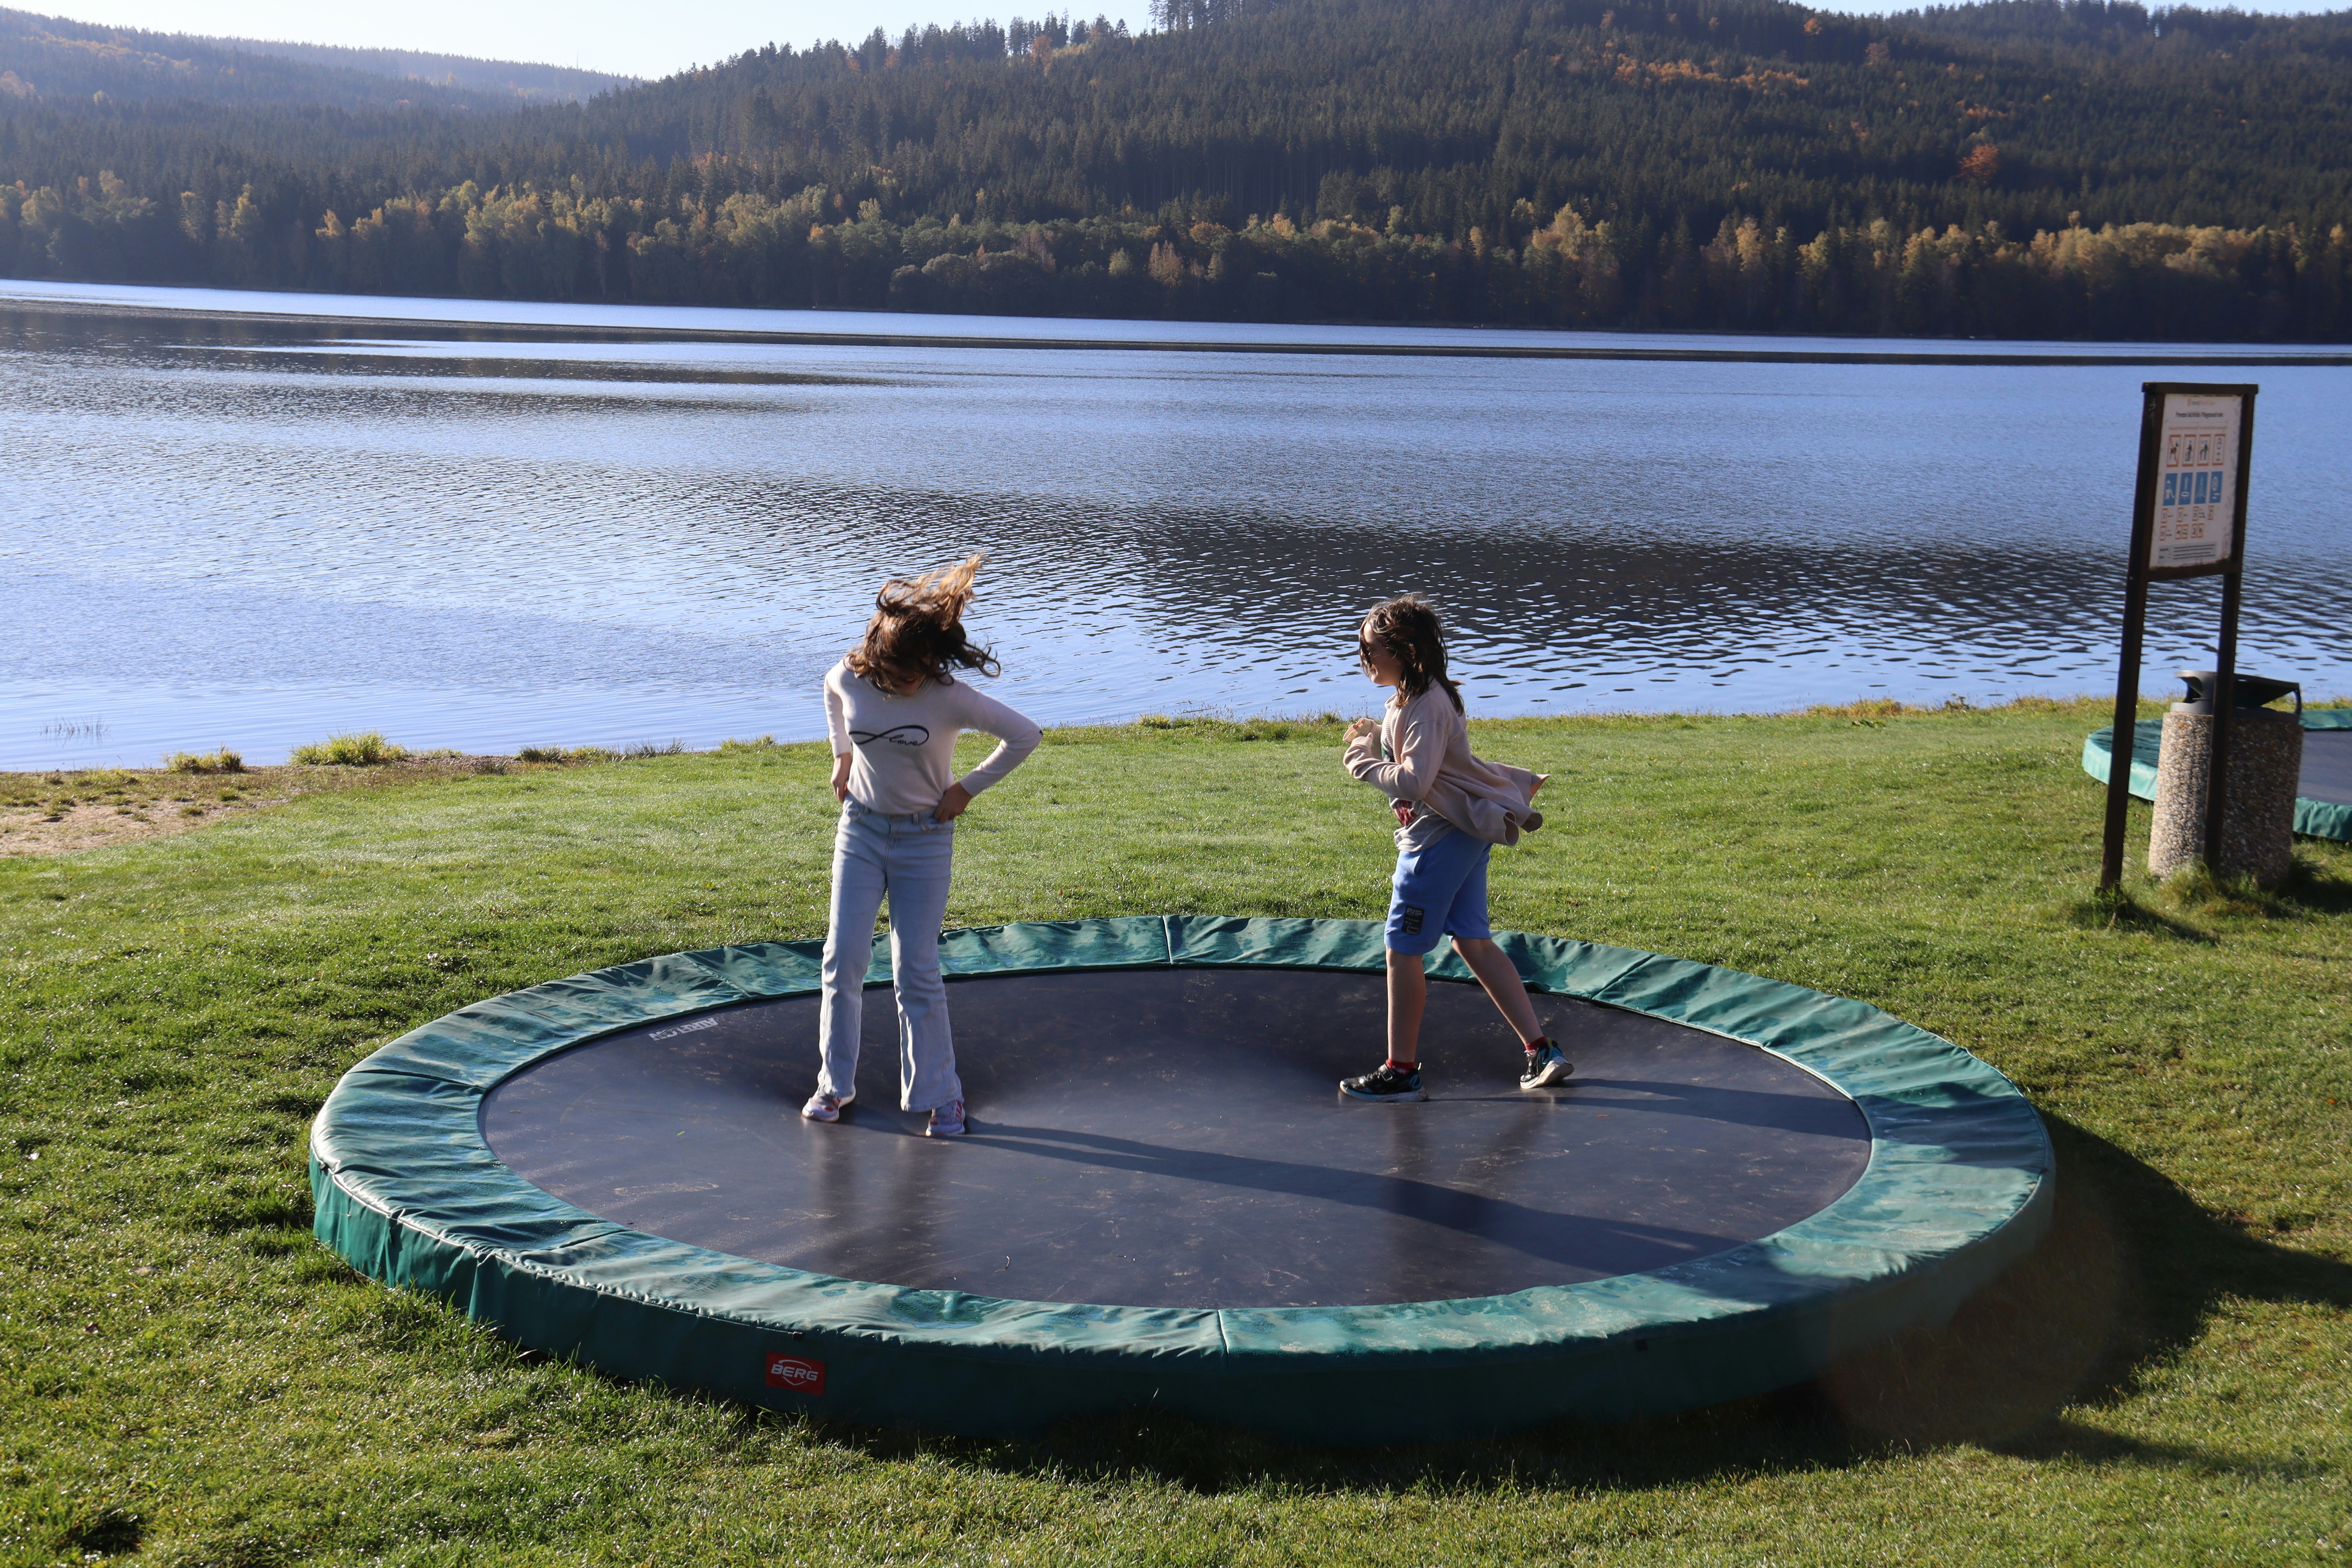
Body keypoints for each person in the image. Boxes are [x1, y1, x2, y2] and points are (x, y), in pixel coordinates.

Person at [804, 554, 1042, 1137]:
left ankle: (942, 1097)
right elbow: (832, 694)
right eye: (906, 668)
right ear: (883, 655)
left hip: (924, 841)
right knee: (843, 962)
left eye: (925, 667)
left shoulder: (949, 696)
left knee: (917, 968)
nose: (915, 678)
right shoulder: (851, 675)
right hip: (859, 830)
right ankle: (833, 1086)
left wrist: (966, 790)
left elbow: (1025, 735)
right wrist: (841, 756)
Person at [1337, 595, 1571, 1102]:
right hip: (1462, 835)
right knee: (1472, 942)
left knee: (1402, 950)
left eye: (1371, 648)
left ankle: (1401, 1071)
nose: (1363, 656)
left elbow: (1416, 782)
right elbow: (1423, 755)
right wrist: (1377, 736)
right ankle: (1541, 1050)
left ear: (1406, 651)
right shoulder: (1414, 699)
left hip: (1437, 842)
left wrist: (1361, 762)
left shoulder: (1426, 706)